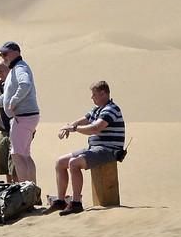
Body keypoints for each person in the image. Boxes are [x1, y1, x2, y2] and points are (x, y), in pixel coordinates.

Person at [47, 81, 125, 215]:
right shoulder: (97, 109)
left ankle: (76, 203)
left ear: (103, 94)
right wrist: (68, 127)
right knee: (60, 162)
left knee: (74, 163)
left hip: (108, 150)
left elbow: (96, 128)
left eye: (94, 94)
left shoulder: (111, 109)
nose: (92, 97)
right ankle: (60, 201)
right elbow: (83, 120)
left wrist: (75, 129)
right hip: (94, 148)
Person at [0, 41, 40, 183]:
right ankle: (31, 190)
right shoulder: (15, 69)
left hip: (22, 117)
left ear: (15, 53)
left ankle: (25, 190)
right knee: (25, 155)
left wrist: (13, 101)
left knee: (17, 155)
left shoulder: (20, 68)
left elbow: (25, 84)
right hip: (27, 116)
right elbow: (9, 94)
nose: (3, 57)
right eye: (1, 54)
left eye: (5, 54)